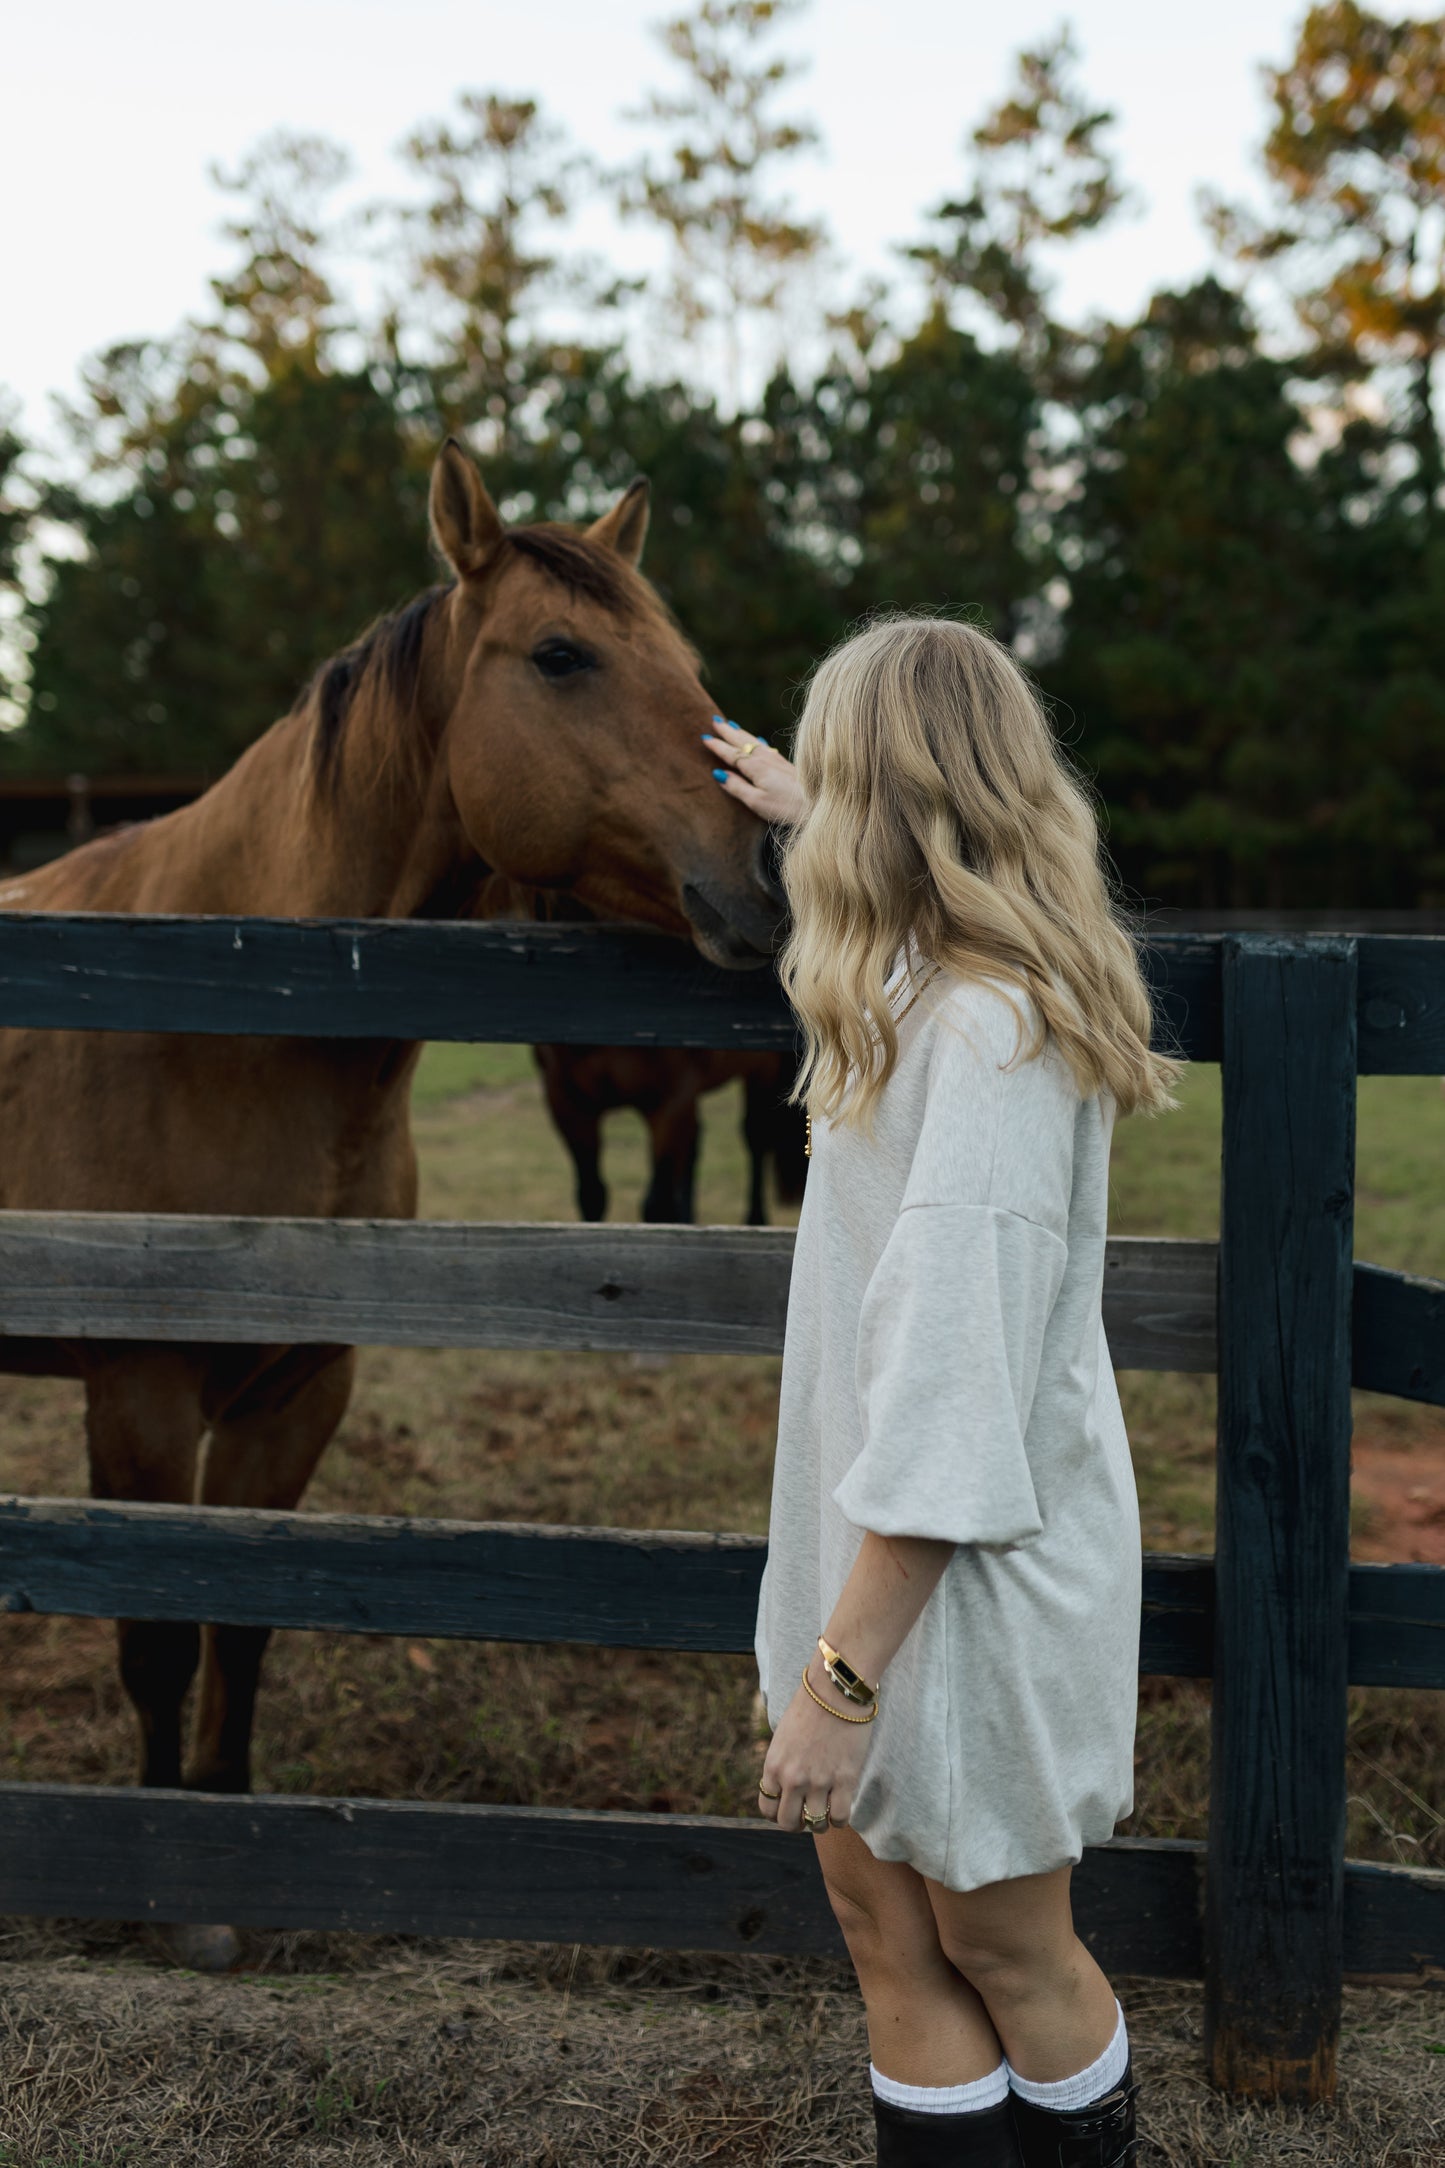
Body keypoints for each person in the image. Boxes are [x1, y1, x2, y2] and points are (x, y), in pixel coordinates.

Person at [702, 617, 1177, 2168]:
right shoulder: (913, 985)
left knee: (1001, 1946)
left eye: (834, 780)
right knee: (878, 1926)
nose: (811, 813)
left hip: (954, 1585)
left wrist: (842, 1684)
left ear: (890, 804)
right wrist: (790, 818)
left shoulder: (985, 1034)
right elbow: (878, 929)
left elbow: (958, 1403)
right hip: (873, 1556)